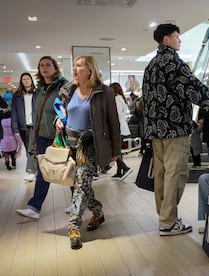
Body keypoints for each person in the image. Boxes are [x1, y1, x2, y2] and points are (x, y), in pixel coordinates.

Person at [142, 23, 209, 236]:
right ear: (166, 39)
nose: (179, 40)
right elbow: (193, 88)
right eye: (176, 37)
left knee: (162, 174)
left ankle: (165, 217)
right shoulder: (173, 62)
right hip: (174, 129)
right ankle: (168, 222)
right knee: (176, 174)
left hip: (156, 130)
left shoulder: (151, 65)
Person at [55, 55, 120, 250]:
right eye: (74, 66)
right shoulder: (69, 90)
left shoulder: (104, 92)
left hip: (90, 146)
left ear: (90, 69)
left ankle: (74, 227)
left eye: (79, 66)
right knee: (81, 185)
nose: (74, 69)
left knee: (81, 184)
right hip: (69, 145)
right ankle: (98, 211)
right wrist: (58, 121)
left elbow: (113, 122)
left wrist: (116, 150)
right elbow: (62, 112)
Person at [16, 56, 68, 220]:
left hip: (61, 137)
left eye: (48, 65)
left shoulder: (63, 86)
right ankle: (34, 207)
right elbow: (36, 115)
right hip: (43, 137)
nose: (45, 68)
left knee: (69, 170)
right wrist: (34, 140)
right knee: (43, 172)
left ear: (55, 67)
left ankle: (78, 202)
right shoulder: (39, 90)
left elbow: (69, 109)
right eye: (42, 65)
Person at [11, 72, 38, 182]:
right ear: (21, 81)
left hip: (34, 125)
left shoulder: (36, 93)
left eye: (28, 79)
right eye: (24, 79)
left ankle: (30, 172)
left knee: (31, 147)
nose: (26, 81)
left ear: (31, 80)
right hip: (23, 126)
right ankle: (35, 169)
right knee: (28, 148)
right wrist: (15, 128)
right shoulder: (17, 96)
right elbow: (14, 112)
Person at [109, 82, 133, 180]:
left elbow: (116, 114)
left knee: (114, 150)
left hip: (118, 128)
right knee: (117, 150)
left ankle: (125, 168)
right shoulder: (120, 98)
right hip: (120, 128)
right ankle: (120, 171)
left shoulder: (116, 99)